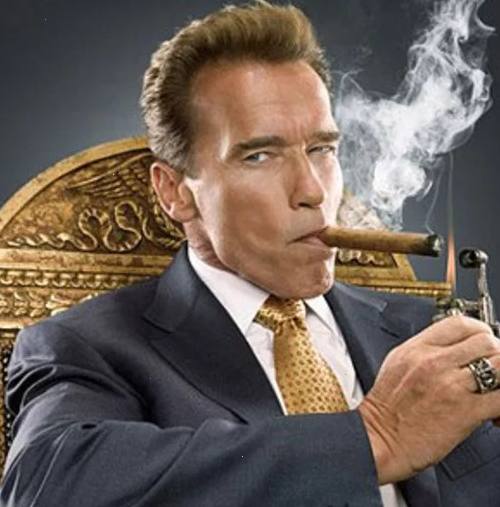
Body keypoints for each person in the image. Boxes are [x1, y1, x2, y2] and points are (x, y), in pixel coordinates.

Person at [2, 2, 500, 506]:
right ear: (175, 191)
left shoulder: (421, 334)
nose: (312, 191)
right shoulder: (89, 345)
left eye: (322, 149)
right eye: (260, 155)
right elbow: (44, 487)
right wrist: (374, 438)